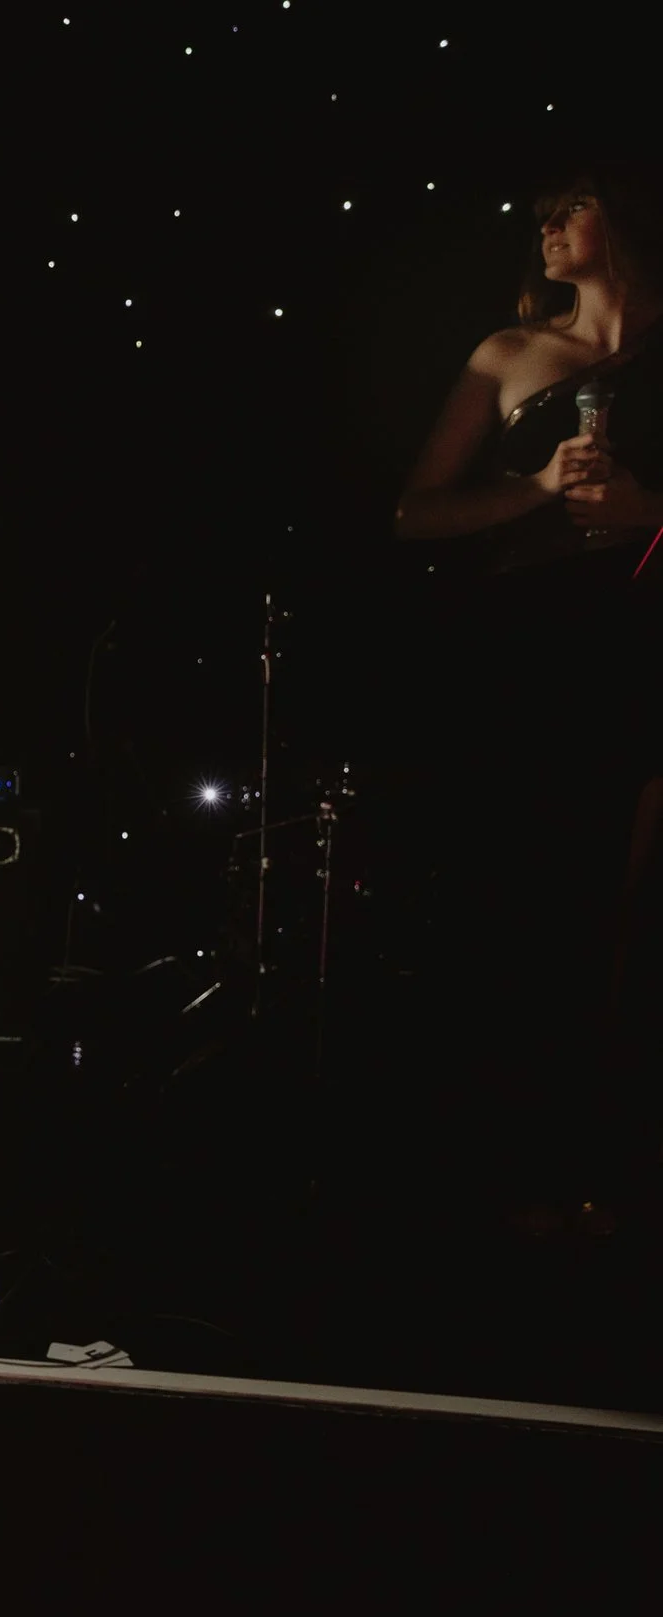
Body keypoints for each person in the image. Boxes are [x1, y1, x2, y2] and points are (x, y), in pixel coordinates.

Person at [392, 164, 662, 1205]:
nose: (547, 228)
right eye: (541, 216)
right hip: (527, 648)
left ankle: (603, 1162)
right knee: (520, 892)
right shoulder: (507, 353)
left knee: (622, 902)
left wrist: (648, 508)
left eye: (570, 208)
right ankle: (507, 1163)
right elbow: (414, 512)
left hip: (642, 635)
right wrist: (540, 486)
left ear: (625, 212)